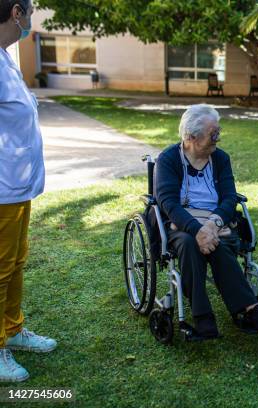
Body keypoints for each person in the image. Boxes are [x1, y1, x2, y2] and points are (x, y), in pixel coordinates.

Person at [155, 104, 258, 339]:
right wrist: (196, 229)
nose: (218, 138)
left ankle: (246, 309)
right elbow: (168, 202)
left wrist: (212, 225)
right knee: (190, 244)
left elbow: (230, 197)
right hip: (180, 224)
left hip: (217, 223)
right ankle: (204, 316)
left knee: (217, 244)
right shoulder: (169, 159)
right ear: (191, 137)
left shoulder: (220, 159)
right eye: (213, 133)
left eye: (218, 131)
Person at [0, 0, 57, 383]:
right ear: (17, 12)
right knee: (0, 267)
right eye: (31, 12)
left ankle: (13, 328)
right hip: (1, 189)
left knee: (17, 260)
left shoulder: (5, 58)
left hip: (18, 187)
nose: (32, 20)